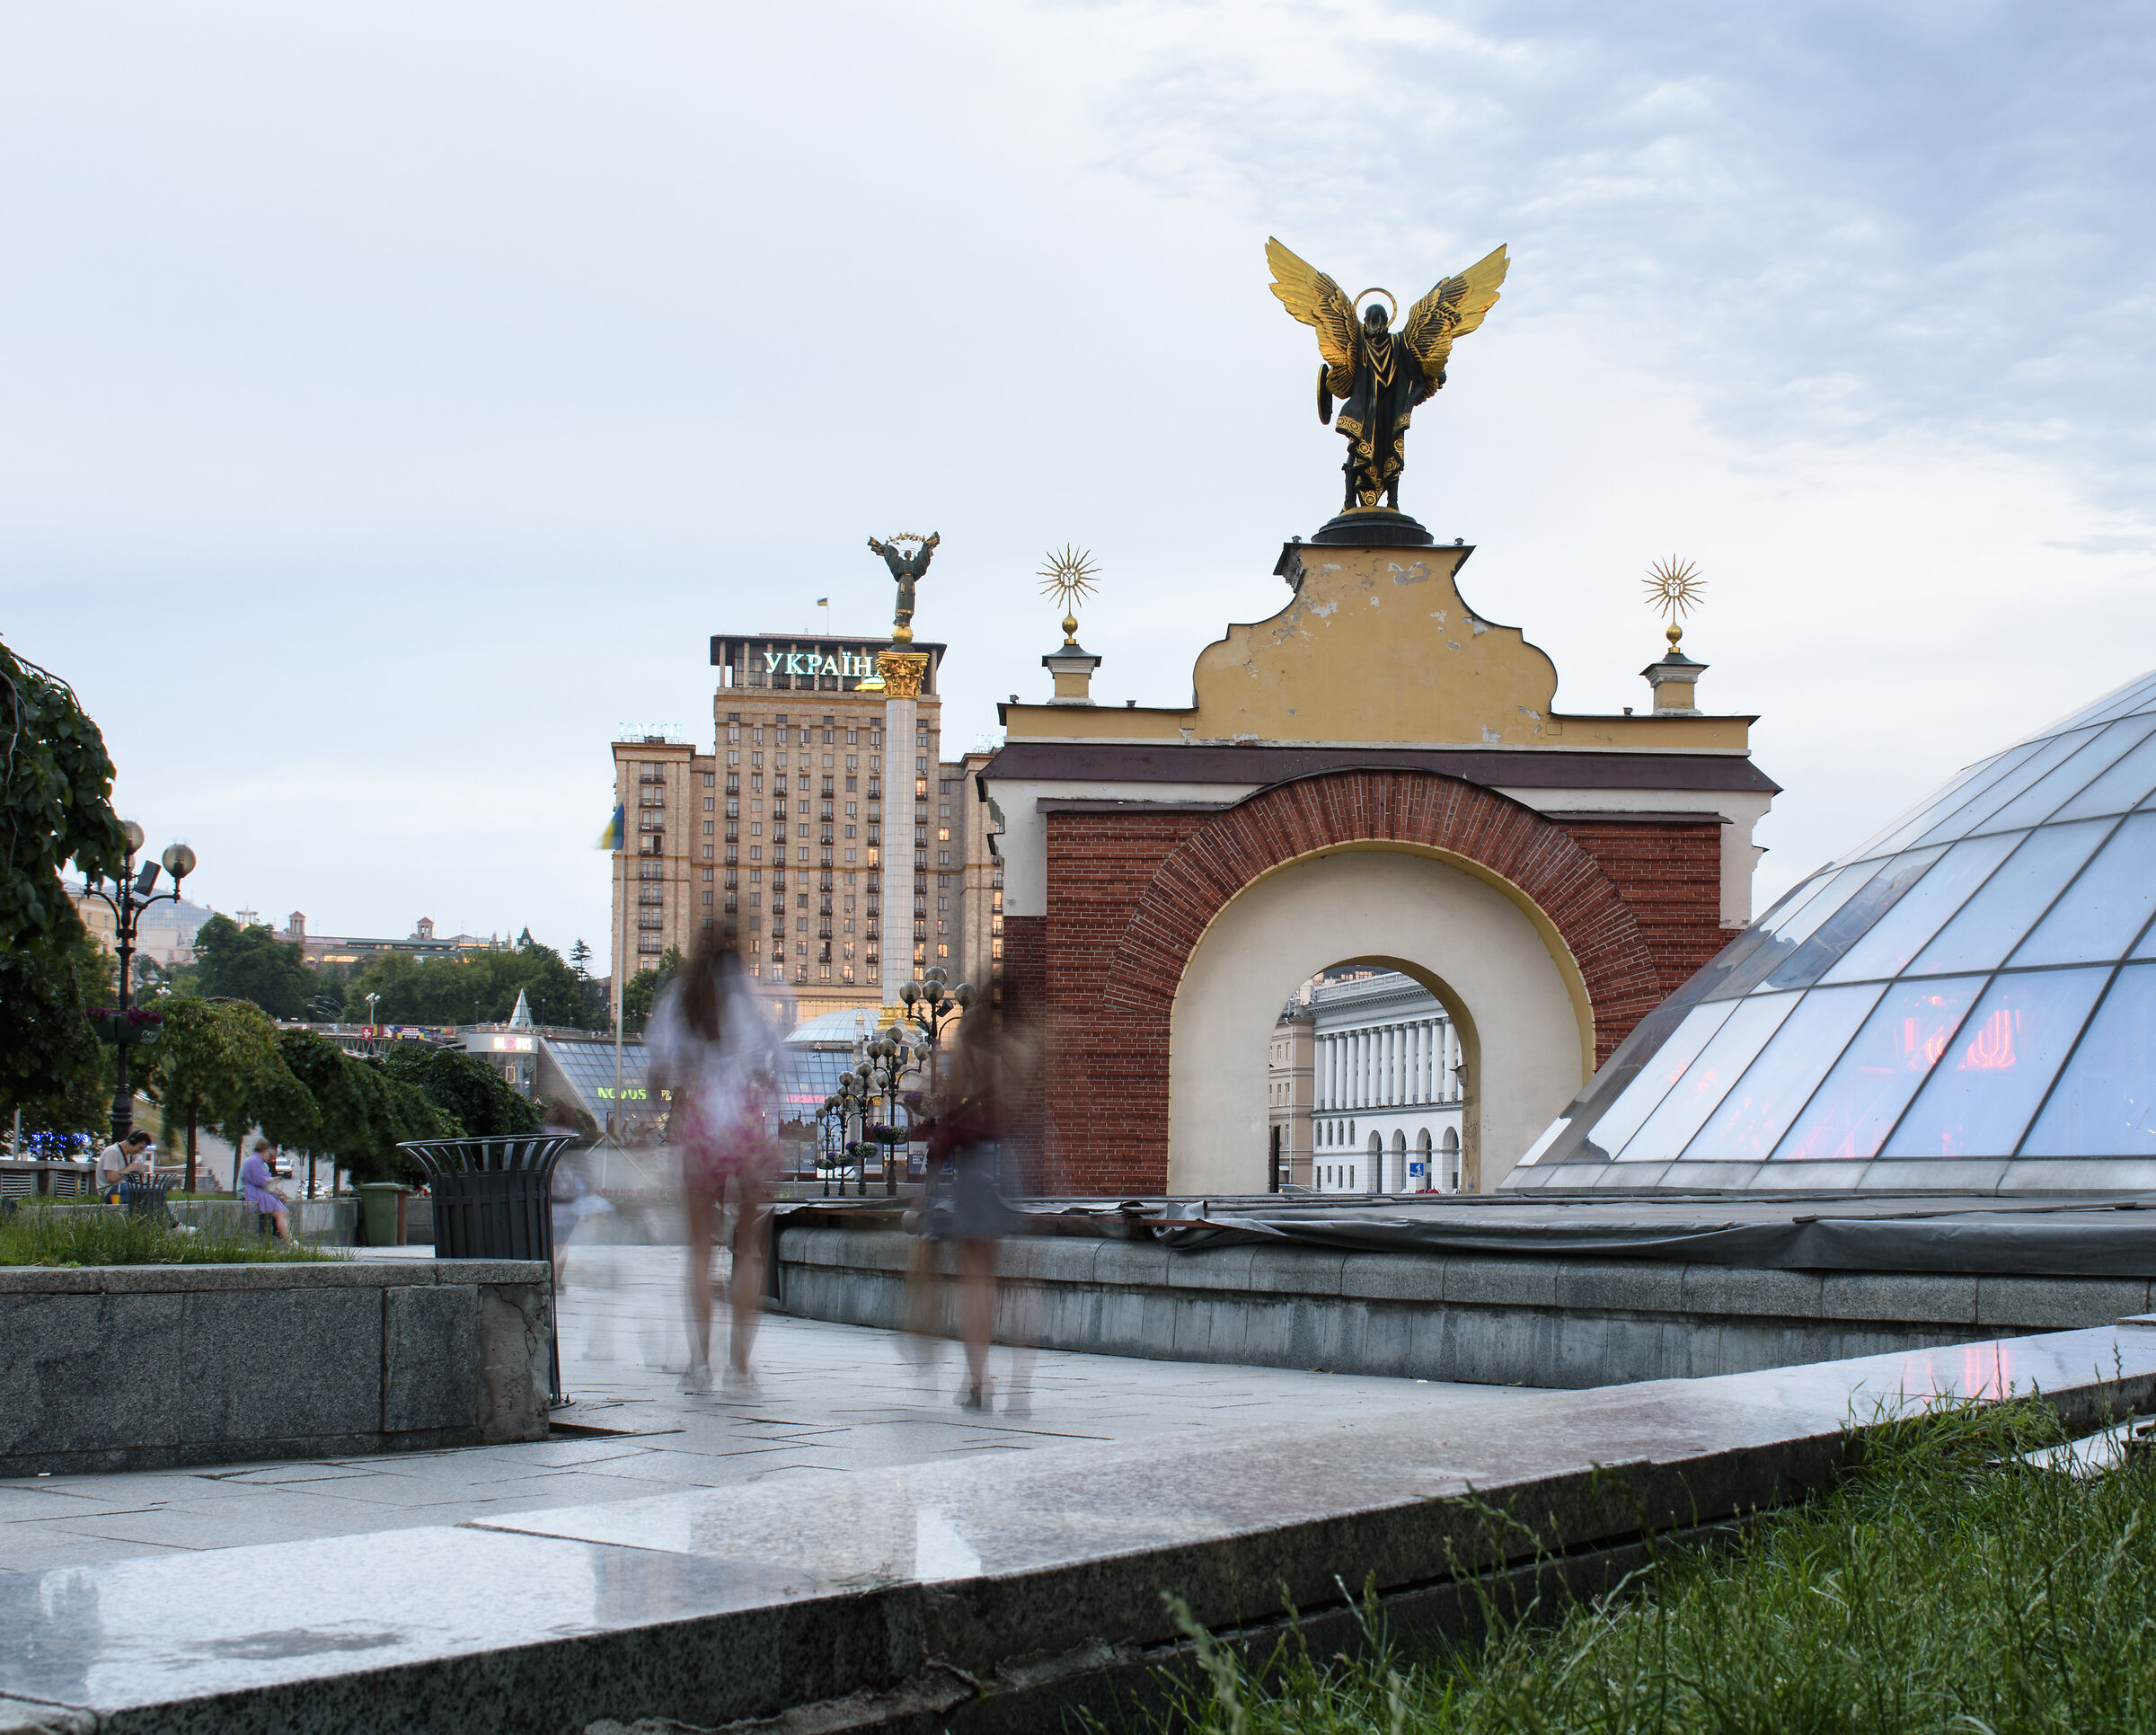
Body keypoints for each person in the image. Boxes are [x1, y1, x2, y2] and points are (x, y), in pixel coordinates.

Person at [646, 934, 778, 1393]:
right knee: (749, 1251)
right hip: (744, 1123)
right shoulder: (748, 1004)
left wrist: (672, 1096)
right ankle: (740, 1366)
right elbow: (771, 1071)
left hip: (701, 1123)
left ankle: (700, 1364)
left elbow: (657, 1077)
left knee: (701, 1253)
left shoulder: (680, 1004)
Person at [923, 1001, 1019, 1411]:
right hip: (1011, 1165)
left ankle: (978, 1380)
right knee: (1005, 1277)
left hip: (977, 1166)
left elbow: (949, 1115)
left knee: (975, 1281)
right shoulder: (1015, 1054)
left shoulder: (965, 1054)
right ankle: (1018, 1378)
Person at [241, 1138, 294, 1244]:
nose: (269, 1157)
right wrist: (272, 1180)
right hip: (258, 1193)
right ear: (264, 1150)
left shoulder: (253, 1160)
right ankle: (288, 1240)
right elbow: (260, 1180)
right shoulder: (254, 1161)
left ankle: (286, 1237)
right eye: (268, 1154)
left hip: (259, 1192)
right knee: (281, 1212)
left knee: (283, 1212)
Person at [97, 1131, 153, 1203]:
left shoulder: (129, 1155)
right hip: (111, 1191)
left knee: (155, 1189)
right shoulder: (113, 1151)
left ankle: (160, 1213)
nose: (139, 1152)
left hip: (123, 1187)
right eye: (140, 1148)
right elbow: (111, 1178)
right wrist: (130, 1168)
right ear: (133, 1141)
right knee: (146, 1193)